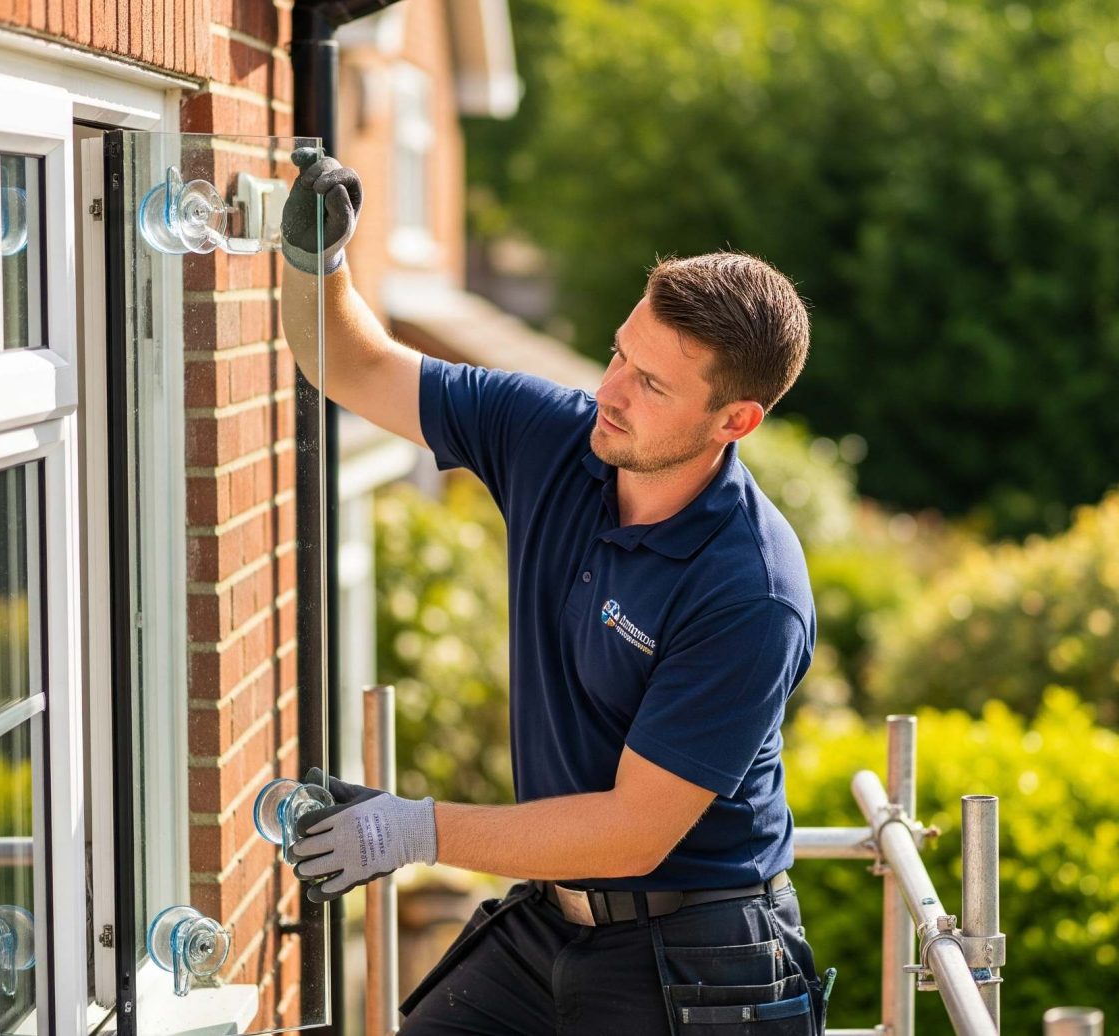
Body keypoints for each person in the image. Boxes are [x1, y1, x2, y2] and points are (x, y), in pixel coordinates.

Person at [276, 148, 830, 1035]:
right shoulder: (555, 438)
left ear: (736, 421)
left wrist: (409, 831)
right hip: (547, 927)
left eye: (650, 383)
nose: (610, 390)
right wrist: (317, 260)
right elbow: (353, 365)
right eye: (620, 352)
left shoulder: (750, 590)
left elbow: (631, 832)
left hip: (698, 962)